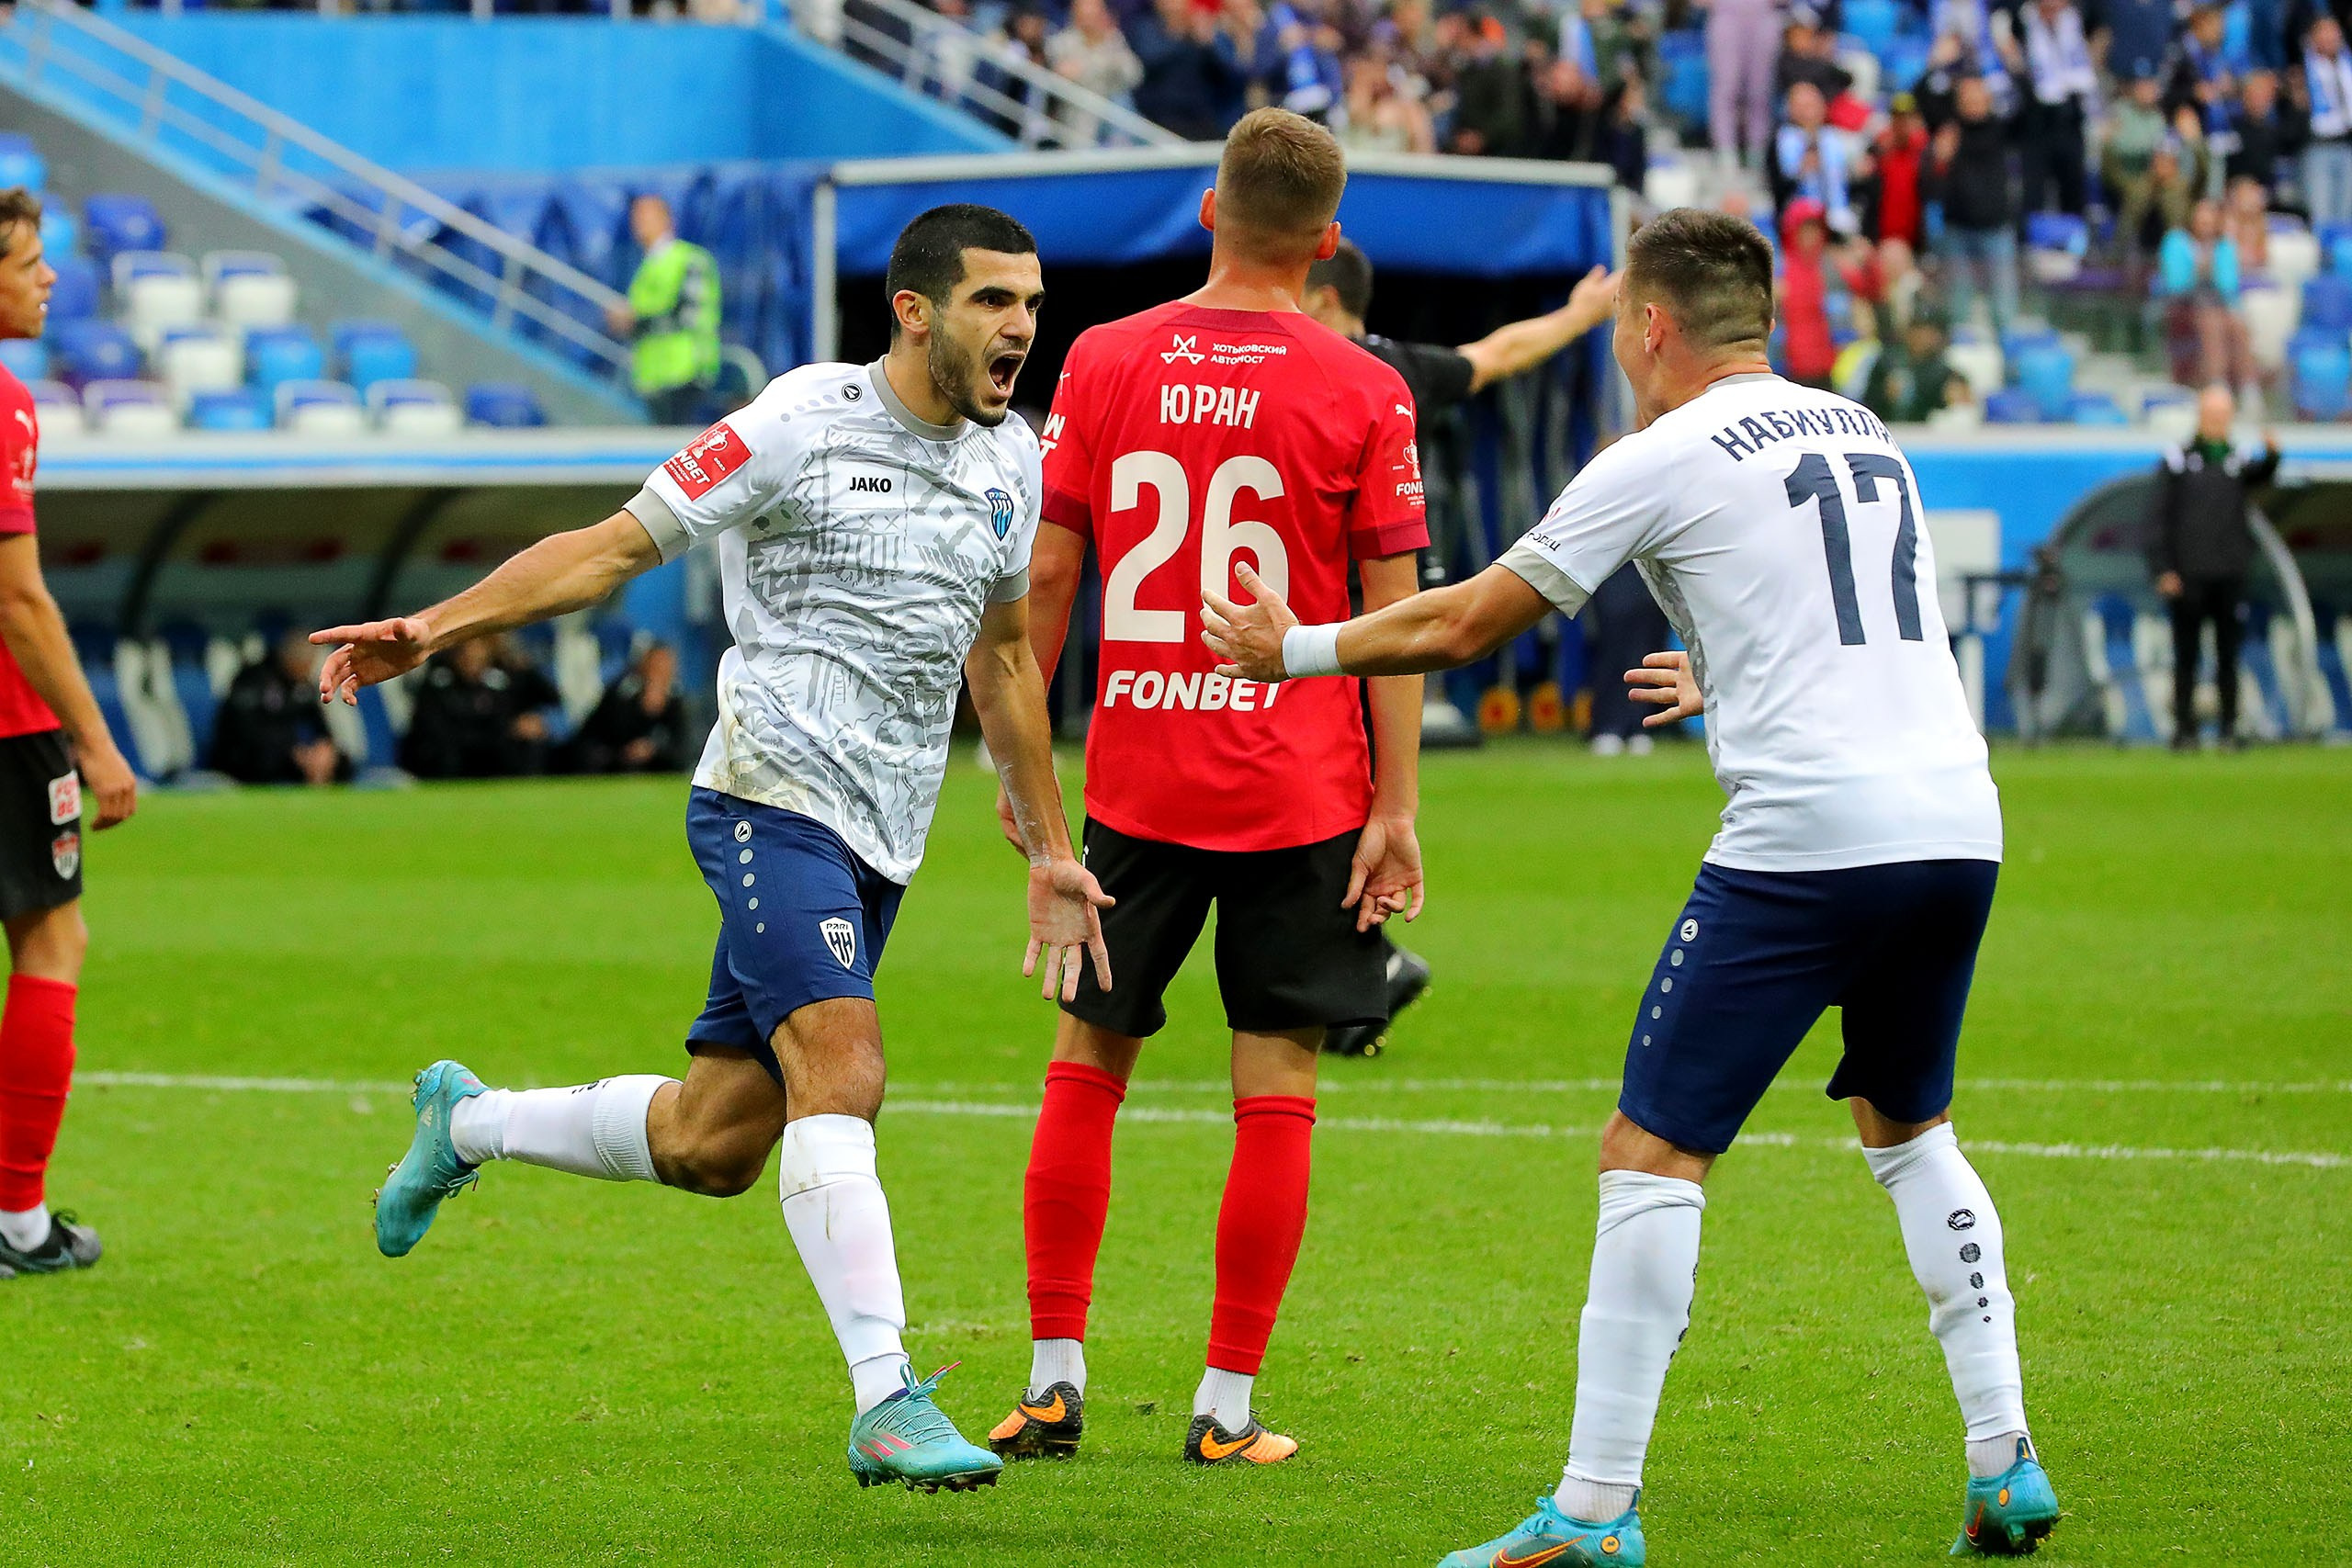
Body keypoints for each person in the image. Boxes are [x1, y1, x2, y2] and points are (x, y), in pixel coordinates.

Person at [1202, 206, 2060, 1563]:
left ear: (1649, 326)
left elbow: (1468, 616)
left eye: (1619, 331)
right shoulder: (1861, 430)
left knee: (1648, 1152)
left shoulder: (1660, 451)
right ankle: (2005, 1457)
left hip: (1812, 835)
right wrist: (1728, 673)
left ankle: (1595, 1508)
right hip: (1958, 819)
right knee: (1912, 1130)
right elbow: (1863, 618)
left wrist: (1291, 644)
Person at [321, 203, 1111, 1495]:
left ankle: (465, 1122)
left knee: (716, 1141)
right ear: (912, 311)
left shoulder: (1010, 461)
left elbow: (1008, 657)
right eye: (991, 302)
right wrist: (439, 623)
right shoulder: (798, 421)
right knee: (843, 1067)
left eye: (1030, 301)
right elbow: (613, 547)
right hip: (767, 792)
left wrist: (1046, 843)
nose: (1021, 326)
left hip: (884, 830)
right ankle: (887, 1396)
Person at [985, 109, 1428, 1472]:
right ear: (1331, 241)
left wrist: (1028, 771)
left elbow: (1048, 579)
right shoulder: (1363, 386)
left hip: (1132, 777)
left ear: (1205, 212)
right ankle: (1226, 1406)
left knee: (1086, 1067)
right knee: (1276, 1089)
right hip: (1300, 784)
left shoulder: (1107, 358)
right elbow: (1392, 608)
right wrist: (1396, 805)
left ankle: (1054, 1379)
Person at [1295, 238, 1616, 1055]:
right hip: (1402, 612)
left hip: (1343, 622)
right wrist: (1578, 315)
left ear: (1326, 301)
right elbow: (1501, 353)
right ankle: (1360, 981)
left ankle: (1371, 971)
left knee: (1326, 803)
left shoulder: (1312, 372)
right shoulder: (1404, 365)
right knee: (1344, 800)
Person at [0, 188, 134, 1279]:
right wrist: (95, 743)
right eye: (31, 262)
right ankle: (15, 1220)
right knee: (51, 942)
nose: (50, 278)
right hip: (9, 728)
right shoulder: (5, 403)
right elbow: (20, 602)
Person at [2150, 384, 2280, 750]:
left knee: (2228, 655)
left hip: (2228, 573)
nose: (2217, 422)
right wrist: (2163, 568)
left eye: (2223, 415)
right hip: (2187, 575)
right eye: (2212, 415)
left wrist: (2272, 457)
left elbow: (2261, 477)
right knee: (2186, 656)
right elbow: (2157, 520)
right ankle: (2184, 729)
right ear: (2200, 417)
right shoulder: (2179, 459)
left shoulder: (2235, 459)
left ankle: (2228, 728)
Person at [604, 195, 722, 428]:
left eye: (647, 216)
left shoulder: (690, 260)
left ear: (667, 220)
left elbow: (687, 314)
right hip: (654, 374)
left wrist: (634, 322)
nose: (639, 223)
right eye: (636, 217)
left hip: (686, 369)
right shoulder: (647, 266)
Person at [1924, 73, 2020, 344]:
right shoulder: (1949, 133)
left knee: (2003, 309)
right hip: (1957, 230)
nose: (1974, 104)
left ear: (1989, 100)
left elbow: (2030, 100)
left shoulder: (2002, 129)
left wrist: (2012, 62)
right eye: (1968, 98)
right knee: (1958, 308)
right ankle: (1959, 365)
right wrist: (1940, 160)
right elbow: (1922, 96)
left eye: (1979, 97)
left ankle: (2007, 368)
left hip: (1995, 228)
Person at [396, 635, 561, 780]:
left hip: (497, 748)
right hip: (452, 753)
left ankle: (526, 794)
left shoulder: (505, 674)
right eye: (464, 650)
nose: (470, 656)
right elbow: (427, 725)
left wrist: (527, 719)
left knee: (529, 741)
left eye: (478, 649)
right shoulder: (438, 679)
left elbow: (551, 697)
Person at [209, 632, 349, 785]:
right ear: (292, 660)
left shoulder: (300, 685)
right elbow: (245, 736)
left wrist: (323, 749)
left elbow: (318, 724)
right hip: (245, 761)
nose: (308, 672)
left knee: (342, 763)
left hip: (290, 758)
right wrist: (295, 754)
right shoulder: (251, 679)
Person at [2158, 197, 2257, 392]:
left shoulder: (2224, 246)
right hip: (2184, 304)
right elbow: (2175, 283)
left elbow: (2229, 286)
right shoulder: (2176, 241)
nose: (2205, 224)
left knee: (2237, 324)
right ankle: (2216, 382)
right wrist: (2197, 267)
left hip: (2218, 303)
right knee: (2211, 322)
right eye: (2201, 218)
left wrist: (2212, 264)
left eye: (2210, 219)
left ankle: (2248, 386)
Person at [562, 639, 694, 774]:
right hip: (614, 764)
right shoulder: (622, 693)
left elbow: (683, 748)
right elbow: (603, 732)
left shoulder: (677, 702)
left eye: (664, 666)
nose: (659, 671)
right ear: (643, 665)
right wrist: (643, 710)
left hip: (659, 767)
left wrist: (654, 750)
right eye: (655, 665)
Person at [1865, 311, 1974, 422]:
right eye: (1918, 331)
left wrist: (1952, 397)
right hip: (1886, 425)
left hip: (1923, 431)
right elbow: (1867, 400)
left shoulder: (1942, 371)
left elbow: (1942, 402)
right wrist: (1884, 393)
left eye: (1928, 332)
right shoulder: (1886, 362)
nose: (1922, 337)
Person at [2305, 16, 2352, 225]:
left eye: (2333, 31)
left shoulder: (2346, 63)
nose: (2330, 37)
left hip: (2346, 145)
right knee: (2322, 215)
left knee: (2345, 214)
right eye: (2323, 31)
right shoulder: (2303, 67)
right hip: (2318, 146)